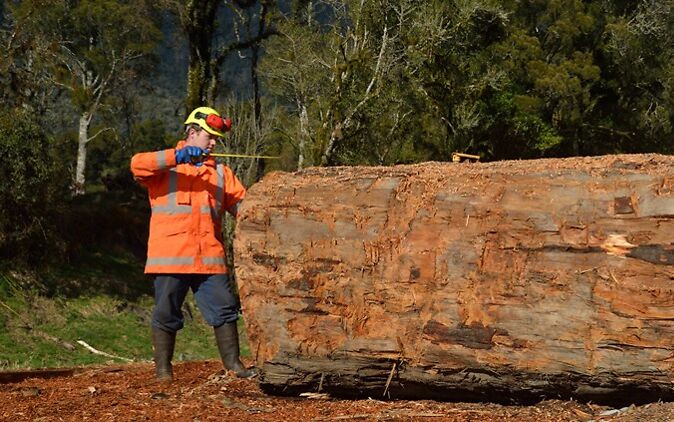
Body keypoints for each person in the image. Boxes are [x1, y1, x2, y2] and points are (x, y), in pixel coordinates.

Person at [130, 106, 256, 381]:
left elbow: (246, 209)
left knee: (225, 310)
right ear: (191, 133)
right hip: (171, 258)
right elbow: (137, 164)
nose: (213, 143)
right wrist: (178, 156)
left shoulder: (222, 174)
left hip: (210, 259)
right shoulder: (165, 166)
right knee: (166, 312)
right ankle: (163, 370)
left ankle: (234, 366)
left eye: (216, 139)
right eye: (209, 137)